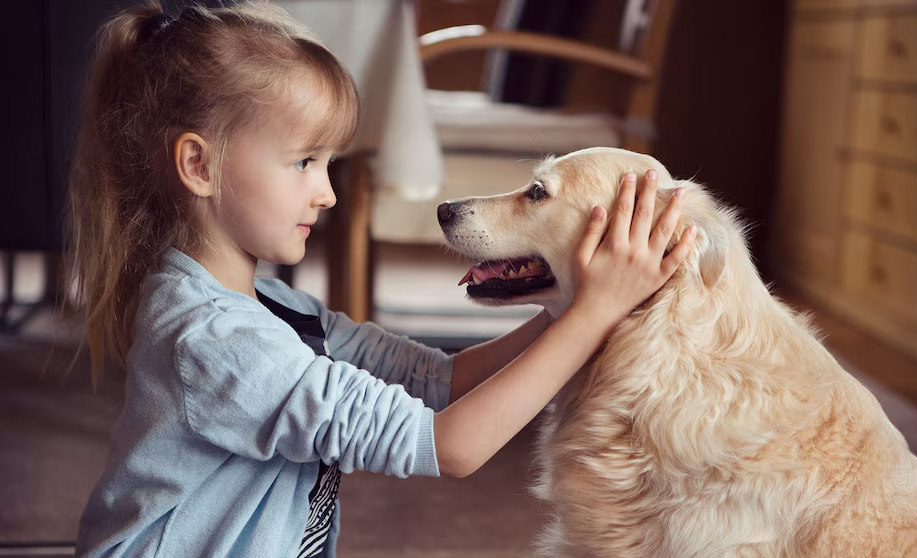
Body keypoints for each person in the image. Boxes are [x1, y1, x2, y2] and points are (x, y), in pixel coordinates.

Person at [67, 2, 696, 557]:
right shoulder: (217, 341)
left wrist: (569, 307)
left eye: (329, 163)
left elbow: (435, 381)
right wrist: (590, 315)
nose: (328, 194)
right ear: (199, 164)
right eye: (304, 163)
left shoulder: (273, 308)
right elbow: (451, 446)